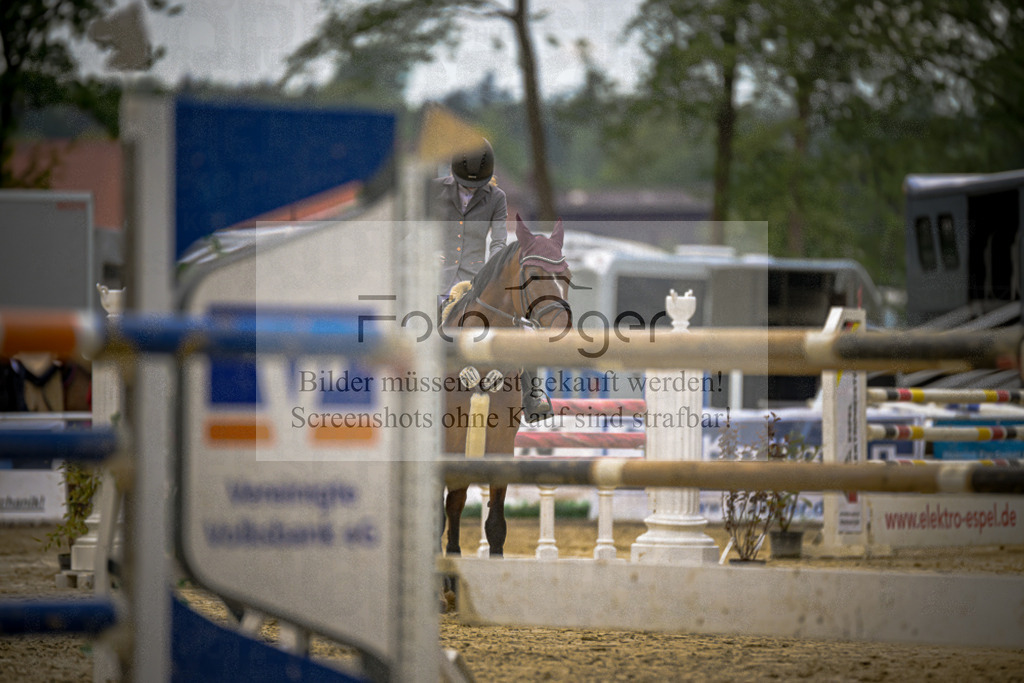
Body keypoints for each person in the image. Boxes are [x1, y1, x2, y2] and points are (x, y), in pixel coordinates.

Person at [432, 138, 552, 422]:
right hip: (438, 277)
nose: (471, 189)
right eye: (466, 184)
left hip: (476, 278)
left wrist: (493, 273)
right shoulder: (434, 191)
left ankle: (533, 396)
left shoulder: (497, 198)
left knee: (523, 329)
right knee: (416, 325)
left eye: (476, 185)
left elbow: (499, 242)